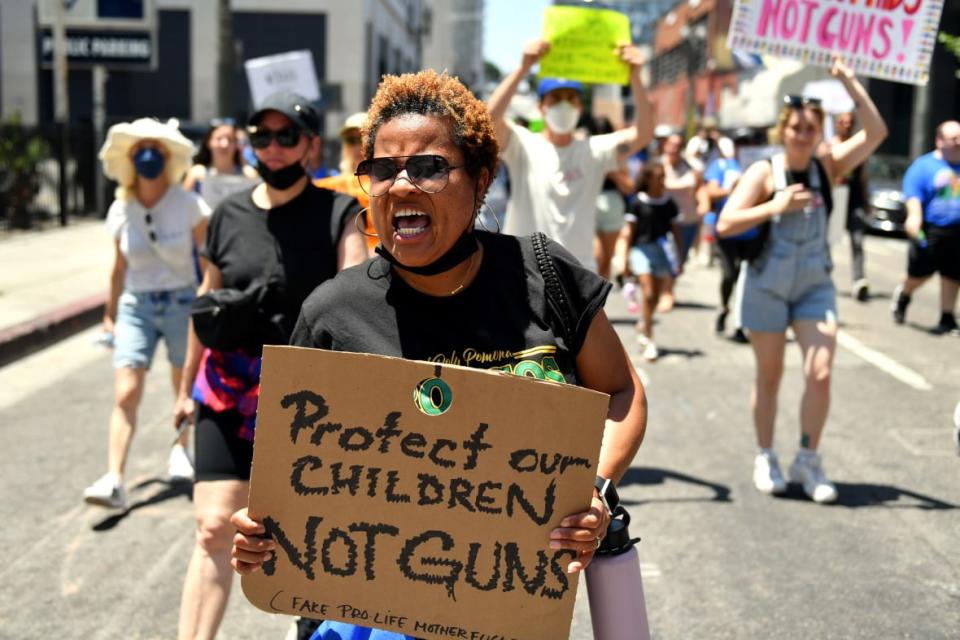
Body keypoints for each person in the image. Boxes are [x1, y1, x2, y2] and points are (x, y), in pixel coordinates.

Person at [230, 69, 649, 640]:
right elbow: (290, 476)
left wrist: (594, 490)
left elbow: (621, 390)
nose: (401, 185)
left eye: (428, 167)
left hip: (507, 613)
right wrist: (259, 532)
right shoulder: (332, 315)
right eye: (382, 169)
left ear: (480, 182)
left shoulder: (543, 276)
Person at [173, 91, 368, 640]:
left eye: (288, 137)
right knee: (213, 525)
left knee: (305, 533)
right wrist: (185, 388)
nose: (274, 148)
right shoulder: (227, 214)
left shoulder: (339, 213)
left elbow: (356, 301)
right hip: (227, 386)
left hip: (307, 396)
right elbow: (205, 303)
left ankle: (309, 624)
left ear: (310, 146)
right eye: (263, 136)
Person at [717, 58, 887, 504]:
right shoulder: (763, 172)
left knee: (821, 371)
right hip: (767, 285)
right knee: (769, 376)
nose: (804, 134)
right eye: (796, 128)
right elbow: (726, 223)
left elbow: (876, 133)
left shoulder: (827, 167)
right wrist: (774, 206)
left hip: (814, 285)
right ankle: (766, 454)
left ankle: (808, 459)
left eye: (812, 128)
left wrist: (848, 81)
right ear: (783, 130)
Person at [83, 118, 210, 509]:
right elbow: (118, 268)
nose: (148, 155)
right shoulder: (122, 208)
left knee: (181, 388)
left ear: (169, 156)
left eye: (155, 148)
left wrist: (209, 304)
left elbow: (208, 262)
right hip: (136, 305)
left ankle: (179, 449)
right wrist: (110, 314)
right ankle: (114, 479)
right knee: (126, 391)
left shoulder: (188, 204)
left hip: (181, 303)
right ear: (130, 159)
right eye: (139, 150)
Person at [487, 38, 654, 272]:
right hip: (522, 269)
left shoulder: (595, 150)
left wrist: (635, 77)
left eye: (571, 98)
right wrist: (523, 68)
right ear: (541, 107)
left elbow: (644, 133)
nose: (563, 105)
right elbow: (488, 120)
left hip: (577, 272)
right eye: (555, 98)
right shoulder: (521, 143)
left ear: (580, 108)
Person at [891, 120, 960, 335]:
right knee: (920, 275)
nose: (959, 142)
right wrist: (914, 217)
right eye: (954, 138)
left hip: (957, 230)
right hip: (931, 229)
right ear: (939, 141)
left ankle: (947, 318)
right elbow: (913, 196)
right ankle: (904, 293)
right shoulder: (923, 165)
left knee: (953, 274)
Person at [615, 160, 682, 362]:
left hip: (663, 252)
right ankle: (648, 338)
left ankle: (645, 322)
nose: (662, 181)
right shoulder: (637, 202)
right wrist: (624, 257)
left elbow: (676, 231)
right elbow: (629, 232)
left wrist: (680, 256)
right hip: (641, 251)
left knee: (654, 297)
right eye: (658, 177)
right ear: (648, 179)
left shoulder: (669, 203)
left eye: (664, 177)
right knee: (648, 291)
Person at [704, 137, 749, 342]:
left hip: (752, 231)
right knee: (730, 274)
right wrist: (733, 190)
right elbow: (711, 191)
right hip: (727, 229)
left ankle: (741, 323)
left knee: (747, 279)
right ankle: (724, 307)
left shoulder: (756, 163)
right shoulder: (721, 165)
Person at [826, 111, 871, 302]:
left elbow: (863, 176)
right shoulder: (829, 146)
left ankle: (859, 280)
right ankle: (823, 275)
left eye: (850, 122)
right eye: (843, 122)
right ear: (836, 124)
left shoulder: (857, 147)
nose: (846, 125)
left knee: (858, 240)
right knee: (829, 240)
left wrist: (867, 201)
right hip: (836, 197)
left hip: (855, 200)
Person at [315, 111, 376, 254]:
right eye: (351, 140)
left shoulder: (390, 181)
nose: (358, 146)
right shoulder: (336, 183)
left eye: (364, 138)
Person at [590, 116, 634, 280]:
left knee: (605, 259)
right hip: (588, 205)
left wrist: (610, 170)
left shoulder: (616, 156)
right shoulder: (582, 151)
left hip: (612, 204)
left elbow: (629, 187)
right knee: (596, 256)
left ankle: (598, 301)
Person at [182, 118, 259, 204]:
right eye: (219, 139)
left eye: (230, 139)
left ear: (236, 144)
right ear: (209, 142)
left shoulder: (249, 174)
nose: (224, 144)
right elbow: (185, 206)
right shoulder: (197, 173)